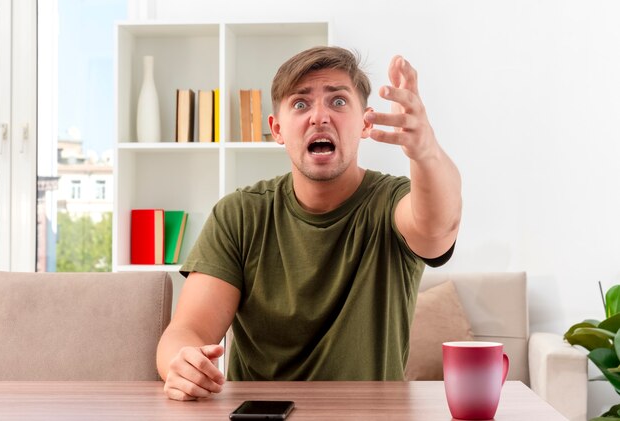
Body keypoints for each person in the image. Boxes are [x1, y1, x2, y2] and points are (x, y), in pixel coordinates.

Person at [156, 46, 462, 401]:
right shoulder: (239, 214)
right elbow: (187, 330)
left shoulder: (391, 203)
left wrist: (426, 152)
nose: (320, 116)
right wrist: (180, 363)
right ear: (277, 129)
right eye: (301, 104)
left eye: (338, 102)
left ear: (365, 122)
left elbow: (439, 227)